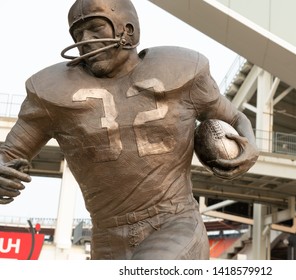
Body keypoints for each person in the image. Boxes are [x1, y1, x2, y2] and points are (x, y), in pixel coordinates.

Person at [0, 0, 258, 259]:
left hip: (173, 221)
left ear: (128, 29)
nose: (85, 40)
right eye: (78, 34)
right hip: (106, 234)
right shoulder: (50, 94)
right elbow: (10, 153)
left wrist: (249, 145)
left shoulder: (182, 70)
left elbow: (235, 118)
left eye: (95, 28)